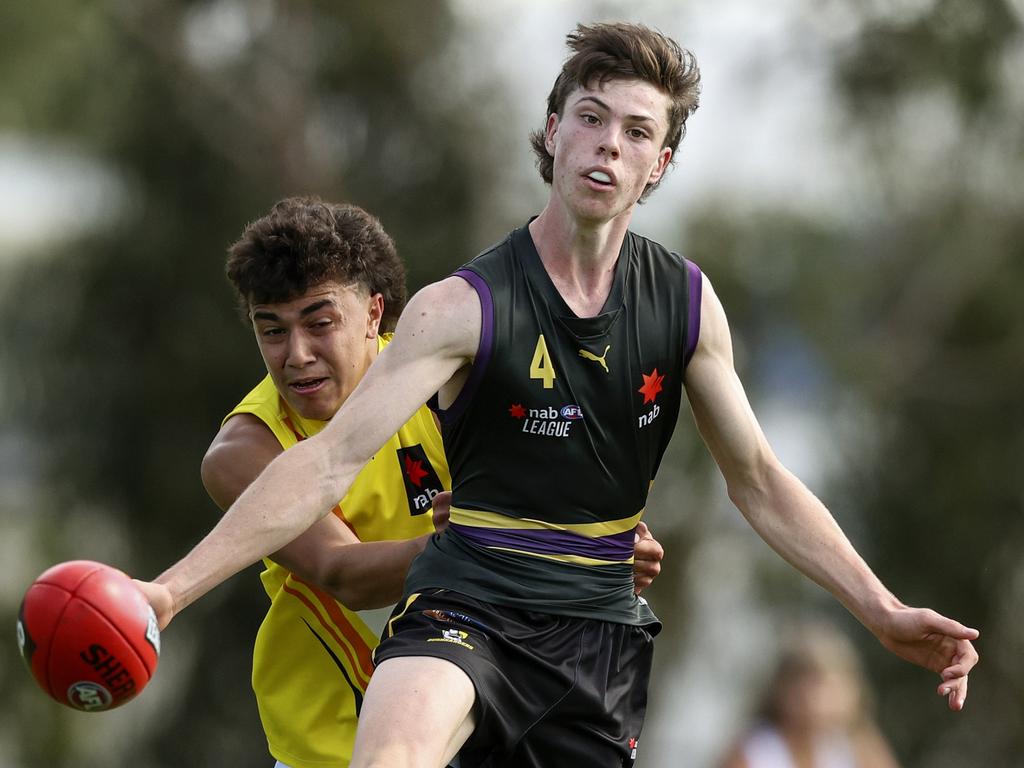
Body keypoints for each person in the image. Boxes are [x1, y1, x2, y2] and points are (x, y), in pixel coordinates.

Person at [137, 22, 979, 768]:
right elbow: (326, 465)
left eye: (636, 131)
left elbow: (756, 478)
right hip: (465, 605)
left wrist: (881, 609)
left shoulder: (685, 305)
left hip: (595, 639)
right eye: (590, 117)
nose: (608, 144)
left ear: (660, 164)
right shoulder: (460, 309)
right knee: (391, 754)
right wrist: (166, 592)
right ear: (553, 131)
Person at [197, 196, 666, 768]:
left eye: (319, 324)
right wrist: (485, 541)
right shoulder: (245, 449)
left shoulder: (445, 373)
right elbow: (343, 574)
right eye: (271, 330)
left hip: (477, 731)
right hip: (329, 749)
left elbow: (553, 488)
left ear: (374, 313)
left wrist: (601, 546)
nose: (296, 355)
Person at [717, 622, 901, 768]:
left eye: (828, 687)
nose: (816, 700)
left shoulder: (858, 747)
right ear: (781, 690)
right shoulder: (756, 751)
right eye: (806, 686)